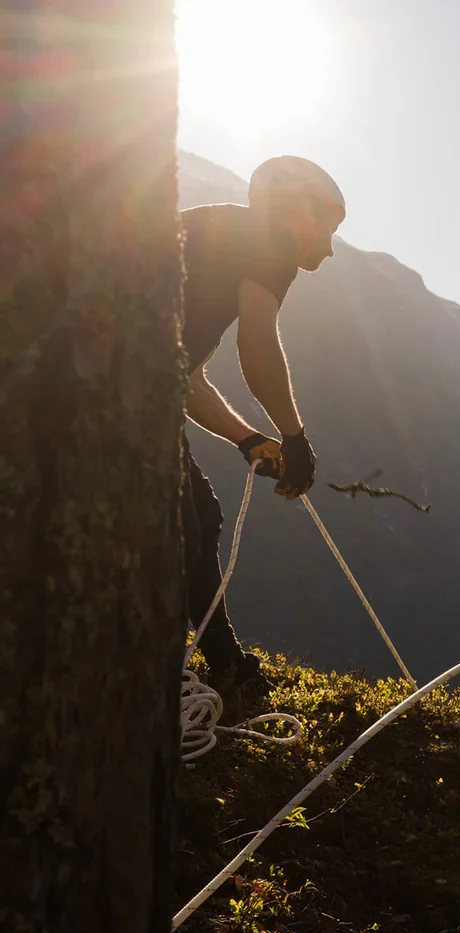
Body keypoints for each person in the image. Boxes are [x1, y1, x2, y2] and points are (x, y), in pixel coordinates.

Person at [179, 155, 345, 685]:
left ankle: (224, 663)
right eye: (327, 224)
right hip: (102, 395)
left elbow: (184, 379)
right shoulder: (268, 241)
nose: (329, 245)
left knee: (197, 518)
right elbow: (257, 344)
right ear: (292, 205)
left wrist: (248, 438)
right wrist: (295, 439)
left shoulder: (218, 233)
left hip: (99, 386)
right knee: (179, 526)